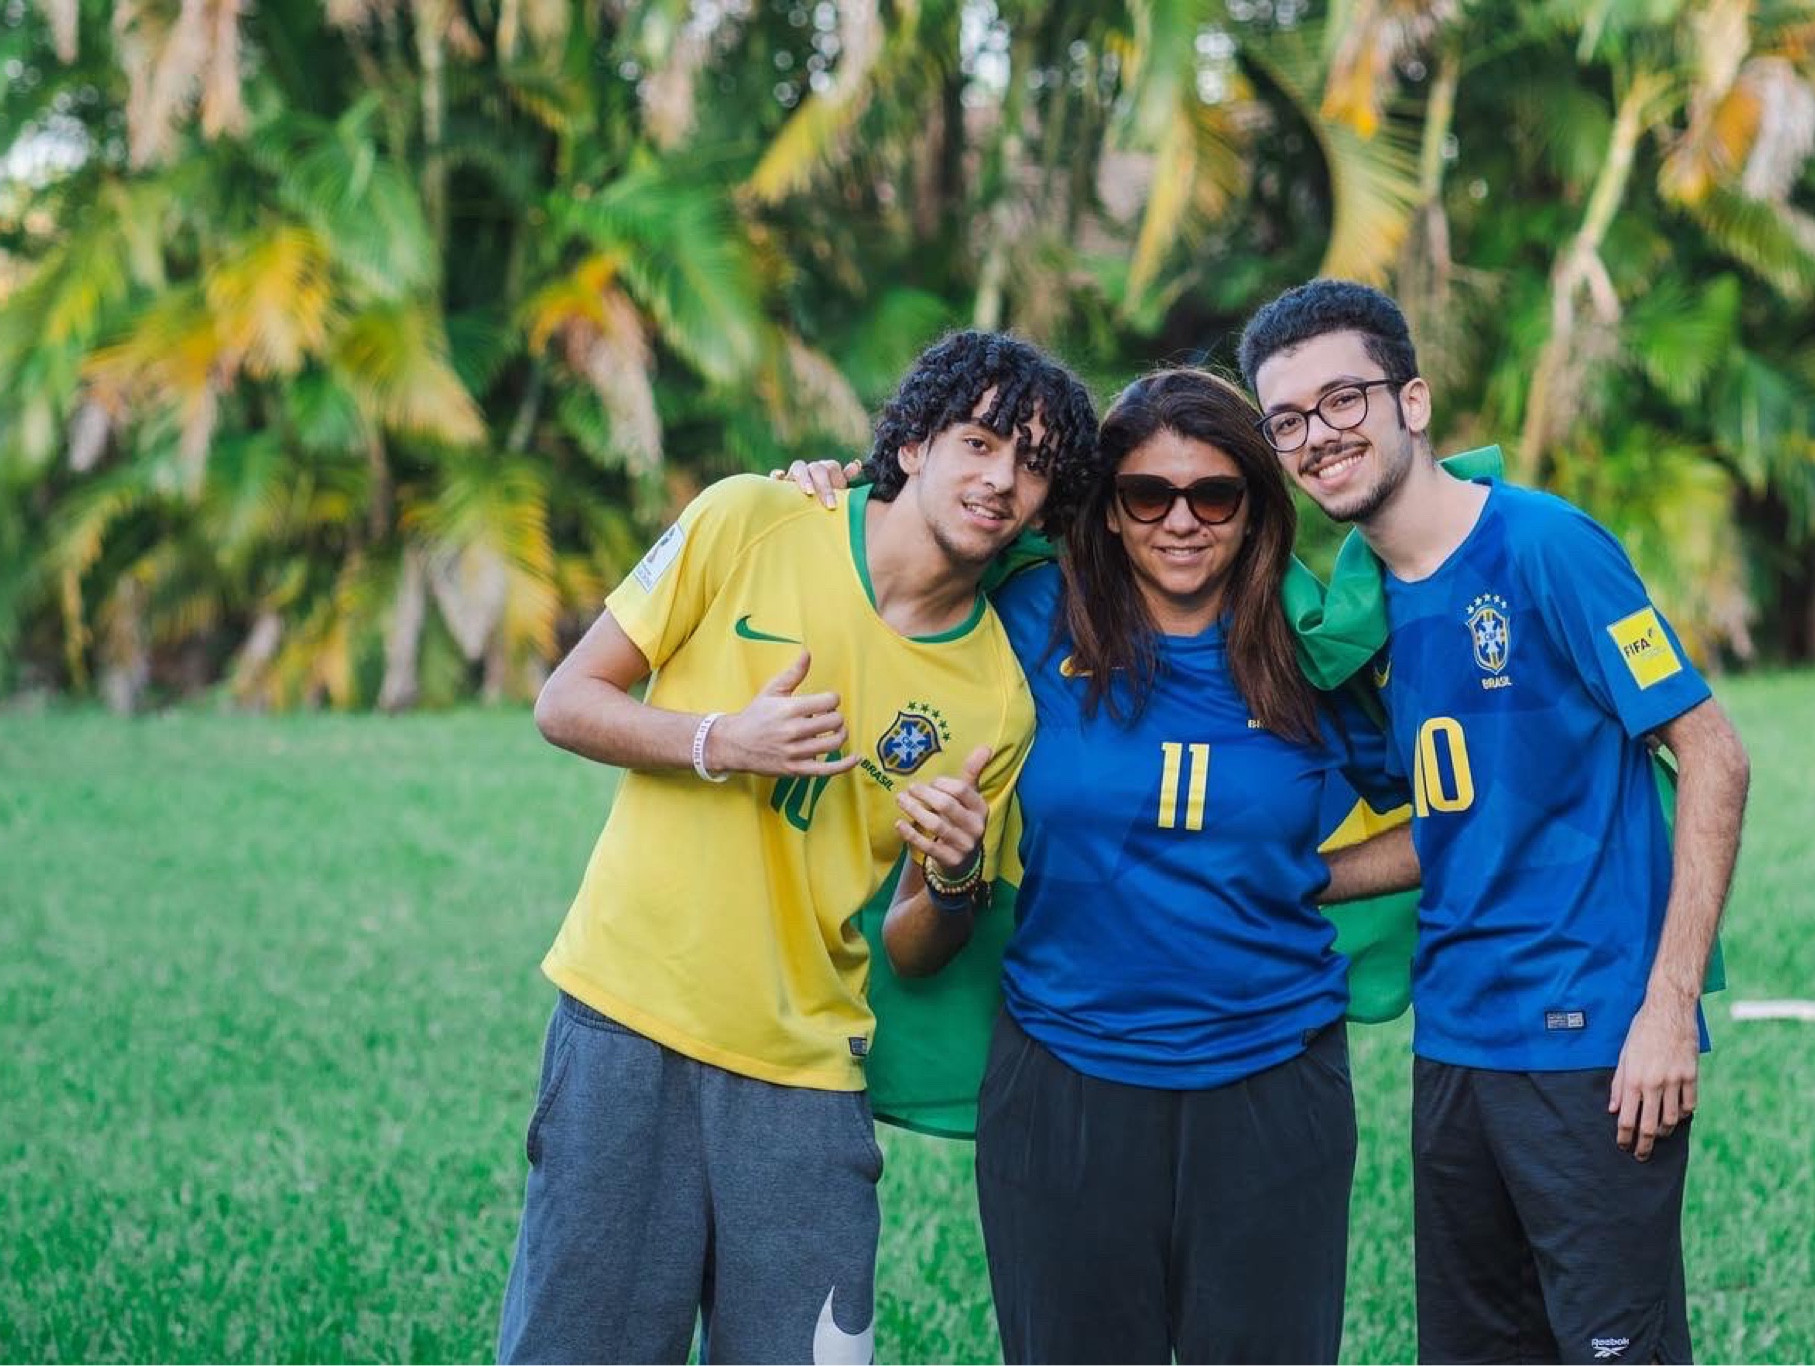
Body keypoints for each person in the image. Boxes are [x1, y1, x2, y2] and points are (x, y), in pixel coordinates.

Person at [495, 330, 1102, 1365]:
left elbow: (917, 944)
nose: (1001, 478)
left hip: (807, 1070)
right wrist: (717, 740)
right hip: (627, 1015)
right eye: (979, 441)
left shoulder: (996, 696)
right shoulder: (753, 518)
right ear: (913, 445)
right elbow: (565, 701)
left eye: (1034, 464)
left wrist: (953, 875)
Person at [1238, 279, 1752, 1365]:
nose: (1317, 436)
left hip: (1590, 1043)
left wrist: (1664, 1012)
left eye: (1342, 400)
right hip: (1456, 1042)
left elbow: (1711, 753)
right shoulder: (1365, 608)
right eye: (1287, 421)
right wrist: (1298, 875)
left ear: (1410, 401)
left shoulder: (1542, 546)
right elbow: (1448, 819)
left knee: (1614, 1347)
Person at [871, 368, 1419, 1364]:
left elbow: (1454, 803)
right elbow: (902, 553)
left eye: (1213, 494)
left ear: (1253, 509)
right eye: (1145, 495)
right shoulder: (1031, 612)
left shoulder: (1310, 651)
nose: (1180, 520)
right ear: (1107, 511)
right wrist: (821, 490)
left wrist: (1310, 876)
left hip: (1273, 1082)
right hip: (1062, 1083)